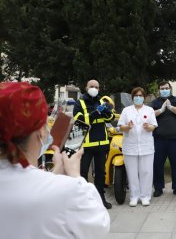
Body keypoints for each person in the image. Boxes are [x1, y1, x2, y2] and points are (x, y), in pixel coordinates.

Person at [0, 82, 110, 239]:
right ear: (40, 132)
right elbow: (99, 227)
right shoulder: (70, 191)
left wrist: (55, 172)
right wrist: (75, 176)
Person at [73, 79, 115, 209]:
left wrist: (107, 111)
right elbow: (78, 119)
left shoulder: (102, 101)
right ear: (86, 87)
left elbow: (110, 118)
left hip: (102, 143)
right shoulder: (79, 102)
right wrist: (96, 113)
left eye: (96, 87)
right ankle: (84, 201)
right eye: (92, 86)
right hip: (86, 144)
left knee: (100, 173)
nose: (94, 88)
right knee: (83, 172)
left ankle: (101, 199)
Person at [118, 87, 158, 207]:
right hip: (130, 146)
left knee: (146, 172)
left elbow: (154, 126)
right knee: (132, 173)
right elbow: (121, 126)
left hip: (146, 146)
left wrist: (148, 127)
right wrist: (128, 127)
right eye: (136, 96)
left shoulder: (149, 110)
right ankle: (134, 196)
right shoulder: (126, 110)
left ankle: (145, 196)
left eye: (141, 96)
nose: (138, 98)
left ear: (144, 98)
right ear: (132, 98)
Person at [150, 81, 176, 197]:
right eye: (162, 88)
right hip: (159, 139)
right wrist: (161, 110)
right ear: (159, 90)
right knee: (158, 164)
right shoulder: (155, 102)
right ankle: (158, 188)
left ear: (170, 89)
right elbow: (149, 114)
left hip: (175, 138)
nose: (164, 90)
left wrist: (170, 107)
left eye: (166, 88)